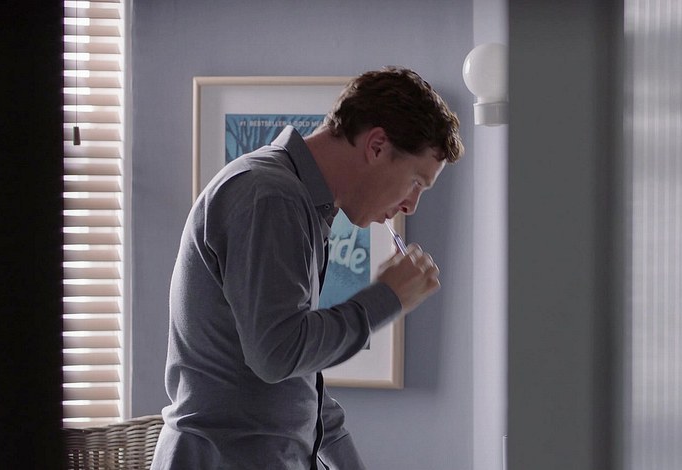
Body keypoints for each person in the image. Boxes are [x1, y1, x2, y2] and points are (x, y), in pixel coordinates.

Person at [151, 66, 464, 469]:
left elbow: (297, 382)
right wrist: (385, 299)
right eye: (416, 182)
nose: (411, 206)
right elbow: (277, 354)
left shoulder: (300, 204)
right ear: (376, 146)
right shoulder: (270, 196)